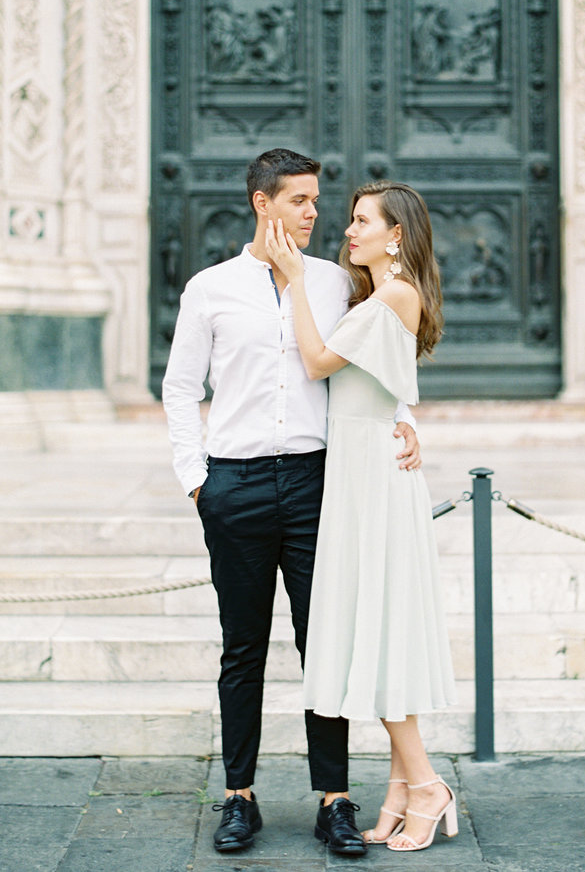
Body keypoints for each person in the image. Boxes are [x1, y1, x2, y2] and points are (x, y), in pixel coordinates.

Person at [162, 149, 421, 856]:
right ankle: (239, 795)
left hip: (317, 484)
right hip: (235, 487)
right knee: (242, 647)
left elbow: (383, 360)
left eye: (316, 201)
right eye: (300, 201)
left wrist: (407, 419)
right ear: (262, 204)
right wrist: (197, 479)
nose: (315, 214)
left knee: (325, 644)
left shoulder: (339, 283)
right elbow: (181, 388)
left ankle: (334, 799)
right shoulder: (209, 289)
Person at [265, 179, 458, 854]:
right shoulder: (381, 297)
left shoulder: (395, 294)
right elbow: (384, 384)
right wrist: (407, 422)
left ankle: (428, 784)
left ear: (396, 234)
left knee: (376, 633)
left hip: (373, 478)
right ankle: (402, 788)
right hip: (362, 468)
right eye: (350, 220)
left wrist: (291, 279)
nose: (349, 231)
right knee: (370, 632)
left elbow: (319, 363)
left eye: (362, 221)